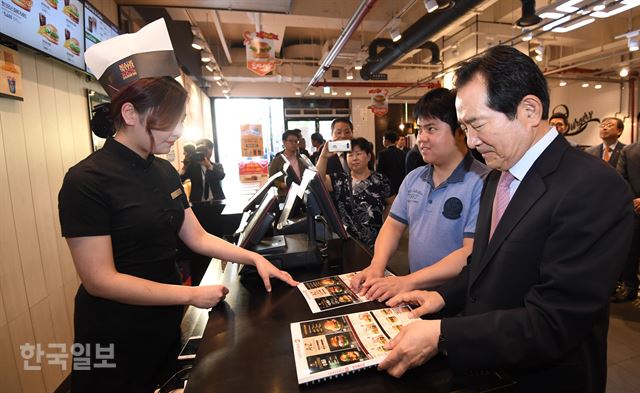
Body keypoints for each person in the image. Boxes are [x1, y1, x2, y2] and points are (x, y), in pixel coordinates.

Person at [58, 20, 298, 393]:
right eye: (168, 121)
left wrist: (253, 258)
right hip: (112, 332)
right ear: (129, 115)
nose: (177, 132)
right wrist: (190, 295)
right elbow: (100, 280)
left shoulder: (163, 170)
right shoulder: (85, 181)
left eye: (179, 121)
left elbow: (197, 236)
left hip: (163, 318)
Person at [378, 45, 633, 393]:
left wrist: (443, 334)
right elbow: (483, 267)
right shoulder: (498, 174)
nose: (470, 140)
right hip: (487, 368)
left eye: (477, 124)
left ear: (529, 110)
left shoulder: (594, 187)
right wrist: (442, 298)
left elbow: (553, 321)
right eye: (464, 127)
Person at [350, 88, 488, 300]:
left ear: (460, 131)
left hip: (456, 297)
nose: (421, 138)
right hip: (413, 289)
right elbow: (393, 227)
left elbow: (469, 253)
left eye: (431, 129)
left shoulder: (482, 181)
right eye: (420, 129)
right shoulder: (415, 178)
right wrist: (377, 265)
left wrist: (407, 282)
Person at [316, 137, 392, 249]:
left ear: (369, 157)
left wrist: (387, 225)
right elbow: (319, 180)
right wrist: (323, 157)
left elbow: (391, 202)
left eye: (358, 153)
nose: (354, 158)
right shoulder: (339, 180)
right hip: (347, 242)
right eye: (350, 155)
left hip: (377, 242)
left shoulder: (380, 180)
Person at [614, 142, 640, 302]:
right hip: (634, 210)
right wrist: (633, 201)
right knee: (630, 251)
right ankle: (629, 287)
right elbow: (621, 177)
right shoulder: (628, 150)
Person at [268, 130, 306, 202]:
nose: (294, 144)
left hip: (301, 195)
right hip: (285, 197)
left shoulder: (302, 159)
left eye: (296, 141)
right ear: (284, 142)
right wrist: (282, 184)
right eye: (290, 141)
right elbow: (271, 180)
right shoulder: (277, 160)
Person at [376, 131, 406, 195]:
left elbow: (379, 171)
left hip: (388, 185)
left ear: (387, 141)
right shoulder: (402, 153)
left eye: (383, 139)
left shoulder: (382, 154)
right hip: (400, 184)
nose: (383, 141)